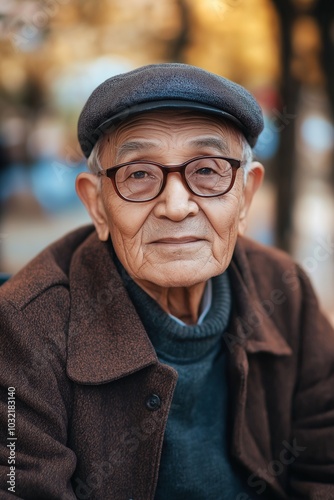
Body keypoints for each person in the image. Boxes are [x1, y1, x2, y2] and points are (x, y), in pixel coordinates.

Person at [0, 63, 333, 500]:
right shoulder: (21, 326)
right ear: (97, 206)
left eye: (208, 171)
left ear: (246, 196)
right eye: (139, 174)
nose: (176, 206)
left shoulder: (286, 288)